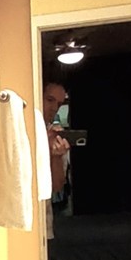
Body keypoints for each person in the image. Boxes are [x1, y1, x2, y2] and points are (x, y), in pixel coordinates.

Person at [43, 81, 72, 209]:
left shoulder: (56, 137)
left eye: (59, 104)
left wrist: (56, 156)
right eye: (50, 100)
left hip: (44, 210)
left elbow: (57, 186)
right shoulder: (23, 128)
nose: (55, 108)